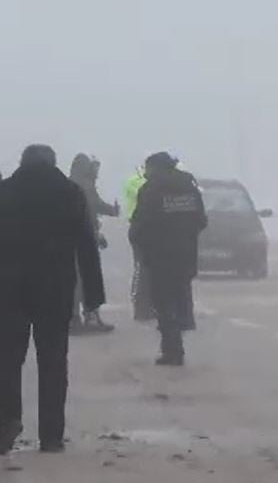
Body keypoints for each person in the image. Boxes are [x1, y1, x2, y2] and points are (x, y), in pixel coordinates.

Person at [0, 144, 105, 454]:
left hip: (8, 290)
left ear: (22, 162)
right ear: (54, 163)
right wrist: (94, 296)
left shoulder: (0, 192)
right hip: (55, 289)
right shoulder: (70, 193)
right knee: (53, 361)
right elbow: (86, 245)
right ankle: (51, 436)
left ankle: (9, 420)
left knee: (5, 359)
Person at [129, 152, 207, 366]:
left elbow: (140, 222)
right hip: (185, 255)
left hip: (159, 256)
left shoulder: (151, 190)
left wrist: (139, 241)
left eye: (148, 168)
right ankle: (178, 340)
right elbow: (201, 220)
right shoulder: (189, 187)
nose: (146, 173)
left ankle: (172, 349)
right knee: (181, 298)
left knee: (163, 303)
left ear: (155, 168)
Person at [68, 153, 119, 334]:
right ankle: (90, 318)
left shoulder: (70, 183)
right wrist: (98, 234)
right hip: (84, 238)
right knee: (86, 280)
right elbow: (91, 210)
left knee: (74, 281)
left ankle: (73, 319)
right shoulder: (85, 185)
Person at [123, 166, 154, 322]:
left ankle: (150, 305)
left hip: (148, 228)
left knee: (150, 270)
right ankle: (140, 305)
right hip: (139, 227)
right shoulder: (137, 183)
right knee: (141, 269)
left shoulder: (152, 185)